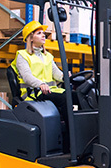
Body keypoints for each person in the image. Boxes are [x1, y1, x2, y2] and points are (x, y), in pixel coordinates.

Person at [11, 20, 70, 150]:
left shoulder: (47, 56)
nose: (44, 35)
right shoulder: (22, 56)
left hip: (48, 91)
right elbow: (27, 77)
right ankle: (69, 141)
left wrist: (67, 76)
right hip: (34, 94)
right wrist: (40, 84)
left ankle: (74, 132)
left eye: (43, 33)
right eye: (39, 33)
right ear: (30, 38)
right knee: (65, 99)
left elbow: (56, 74)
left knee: (77, 96)